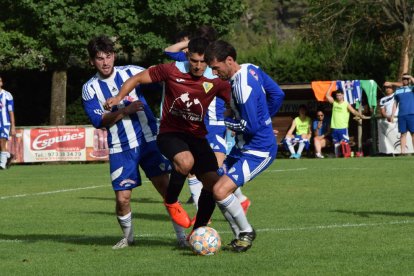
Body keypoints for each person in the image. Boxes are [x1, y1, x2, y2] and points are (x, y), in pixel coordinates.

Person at [105, 37, 231, 235]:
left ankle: (198, 230)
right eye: (194, 61)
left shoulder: (216, 79)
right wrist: (119, 97)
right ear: (187, 56)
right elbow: (137, 78)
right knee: (185, 162)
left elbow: (235, 101)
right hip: (170, 133)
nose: (198, 66)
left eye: (203, 62)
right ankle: (171, 201)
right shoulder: (171, 69)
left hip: (197, 136)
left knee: (213, 184)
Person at [81, 35, 187, 249]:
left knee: (167, 191)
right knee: (123, 199)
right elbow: (98, 121)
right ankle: (128, 239)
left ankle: (182, 238)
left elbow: (164, 83)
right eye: (100, 58)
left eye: (108, 56)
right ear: (92, 61)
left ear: (114, 56)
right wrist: (124, 110)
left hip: (150, 140)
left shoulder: (131, 72)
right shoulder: (89, 88)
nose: (105, 62)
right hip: (121, 147)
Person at [204, 40, 285, 252]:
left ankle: (246, 232)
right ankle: (240, 236)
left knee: (221, 190)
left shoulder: (242, 87)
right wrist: (266, 120)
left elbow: (248, 126)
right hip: (243, 148)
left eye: (216, 67)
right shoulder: (252, 69)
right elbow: (278, 94)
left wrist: (224, 121)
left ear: (229, 60)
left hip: (259, 150)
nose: (214, 72)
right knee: (216, 187)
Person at [164, 27, 251, 214]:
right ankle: (234, 201)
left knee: (206, 172)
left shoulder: (217, 68)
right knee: (203, 172)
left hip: (212, 124)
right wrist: (192, 43)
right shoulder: (194, 63)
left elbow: (235, 97)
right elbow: (168, 51)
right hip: (201, 124)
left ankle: (235, 200)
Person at [325, 88, 365, 157]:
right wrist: (331, 85)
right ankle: (337, 156)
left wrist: (360, 115)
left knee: (345, 143)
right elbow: (327, 95)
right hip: (334, 127)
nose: (338, 97)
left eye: (340, 95)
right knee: (336, 144)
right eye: (337, 95)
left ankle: (347, 155)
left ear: (343, 95)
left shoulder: (346, 104)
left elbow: (354, 111)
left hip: (343, 127)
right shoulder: (334, 103)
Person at [388, 73, 414, 154]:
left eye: (406, 79)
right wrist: (392, 115)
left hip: (411, 114)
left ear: (409, 80)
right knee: (403, 134)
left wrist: (410, 77)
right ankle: (402, 152)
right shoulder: (398, 91)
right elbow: (395, 103)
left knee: (413, 134)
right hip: (401, 115)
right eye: (404, 78)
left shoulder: (412, 88)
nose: (405, 80)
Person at [0, 75, 16, 170]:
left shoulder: (7, 95)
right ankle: (8, 155)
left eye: (1, 80)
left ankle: (2, 164)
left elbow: (11, 111)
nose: (0, 82)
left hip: (5, 123)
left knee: (2, 141)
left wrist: (13, 126)